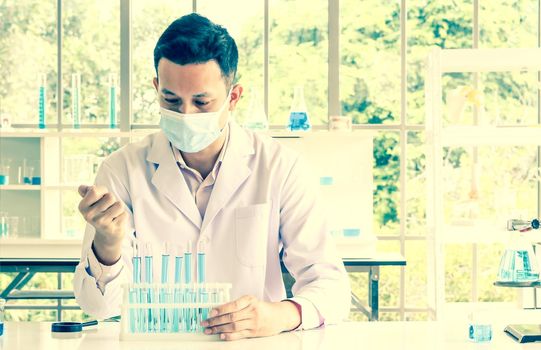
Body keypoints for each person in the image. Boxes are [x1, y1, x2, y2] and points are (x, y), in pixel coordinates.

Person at [73, 13, 350, 341]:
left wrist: (280, 314)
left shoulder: (280, 167)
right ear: (156, 88)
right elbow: (99, 307)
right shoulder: (122, 170)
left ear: (233, 97)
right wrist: (107, 243)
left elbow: (332, 288)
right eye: (171, 100)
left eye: (202, 102)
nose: (185, 115)